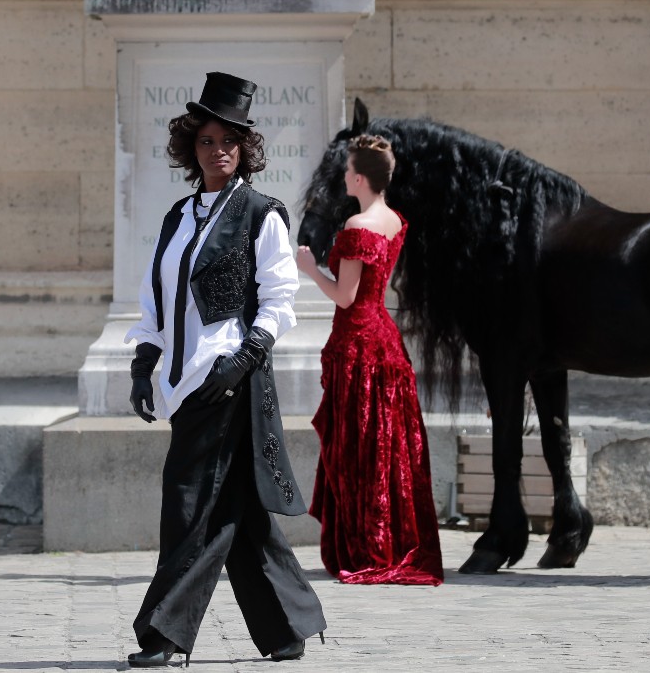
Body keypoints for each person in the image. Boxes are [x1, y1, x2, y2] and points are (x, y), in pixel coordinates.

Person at [124, 72, 327, 667]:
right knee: (236, 505)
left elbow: (280, 301)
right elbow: (157, 297)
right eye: (207, 140)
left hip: (230, 381)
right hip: (184, 381)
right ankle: (287, 627)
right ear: (191, 148)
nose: (218, 150)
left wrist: (241, 361)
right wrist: (143, 362)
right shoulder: (177, 216)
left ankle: (163, 632)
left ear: (245, 148)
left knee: (189, 501)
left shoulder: (262, 214)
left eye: (229, 140)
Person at [296, 133, 444, 586]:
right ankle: (391, 541)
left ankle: (367, 545)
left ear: (360, 178)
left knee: (359, 450)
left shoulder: (358, 225)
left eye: (347, 170)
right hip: (386, 342)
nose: (344, 176)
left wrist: (310, 270)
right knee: (387, 446)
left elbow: (345, 296)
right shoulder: (395, 221)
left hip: (358, 346)